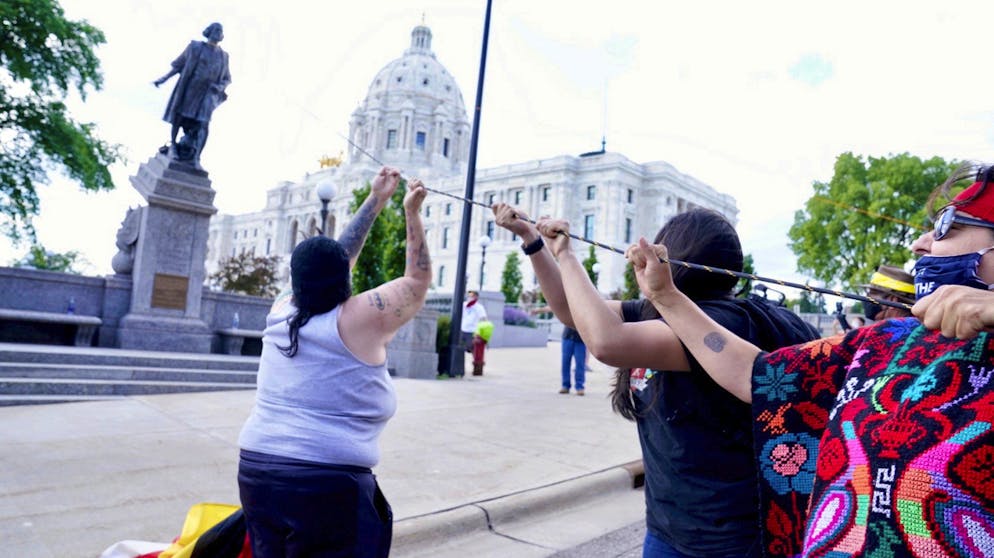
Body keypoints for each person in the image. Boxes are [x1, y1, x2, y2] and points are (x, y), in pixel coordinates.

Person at [629, 162, 994, 557]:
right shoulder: (882, 341)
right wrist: (665, 296)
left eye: (946, 228)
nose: (919, 245)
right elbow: (754, 374)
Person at [493, 203, 819, 557]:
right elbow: (574, 312)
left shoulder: (727, 322)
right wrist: (535, 244)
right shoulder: (660, 310)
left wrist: (568, 255)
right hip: (667, 528)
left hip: (730, 538)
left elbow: (606, 342)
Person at [237, 167, 430, 558]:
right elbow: (418, 281)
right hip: (324, 481)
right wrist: (411, 211)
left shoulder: (281, 308)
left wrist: (376, 198)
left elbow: (338, 259)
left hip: (257, 470)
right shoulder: (362, 318)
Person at [153, 22, 231, 168]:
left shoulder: (224, 56)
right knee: (179, 117)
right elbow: (178, 65)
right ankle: (174, 146)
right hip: (190, 89)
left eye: (220, 30)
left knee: (203, 124)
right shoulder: (195, 47)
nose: (218, 33)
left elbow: (227, 78)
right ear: (209, 32)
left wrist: (219, 87)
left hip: (208, 94)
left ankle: (197, 157)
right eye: (216, 29)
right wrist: (163, 79)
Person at [460, 290, 488, 375]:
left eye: (472, 296)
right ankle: (460, 368)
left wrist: (482, 332)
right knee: (460, 349)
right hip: (463, 329)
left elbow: (483, 319)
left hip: (473, 331)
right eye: (469, 296)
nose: (470, 297)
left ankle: (477, 370)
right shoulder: (464, 305)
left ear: (476, 297)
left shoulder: (479, 307)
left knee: (475, 352)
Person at [560, 326, 587, 395]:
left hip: (580, 339)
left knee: (580, 364)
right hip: (567, 337)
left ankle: (580, 387)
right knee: (565, 363)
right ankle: (565, 386)